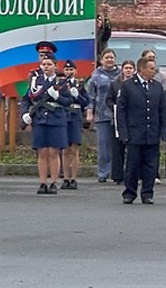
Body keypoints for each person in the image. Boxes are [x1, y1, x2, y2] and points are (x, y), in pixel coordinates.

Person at [19, 40, 80, 194]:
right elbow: (26, 99)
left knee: (53, 152)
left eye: (49, 64)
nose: (46, 66)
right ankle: (42, 183)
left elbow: (68, 101)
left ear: (55, 66)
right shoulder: (36, 81)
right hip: (39, 119)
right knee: (42, 152)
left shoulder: (62, 82)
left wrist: (57, 96)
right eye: (44, 64)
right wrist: (25, 113)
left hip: (56, 119)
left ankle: (53, 182)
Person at [111, 50, 166, 204]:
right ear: (142, 69)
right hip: (134, 133)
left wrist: (164, 130)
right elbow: (121, 111)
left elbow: (163, 110)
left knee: (151, 165)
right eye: (151, 69)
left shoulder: (157, 87)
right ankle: (129, 193)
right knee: (133, 165)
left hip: (152, 133)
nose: (154, 71)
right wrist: (123, 132)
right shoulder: (127, 86)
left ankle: (147, 193)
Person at [88, 47, 121, 184]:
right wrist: (90, 111)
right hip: (102, 114)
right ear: (101, 60)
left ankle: (117, 171)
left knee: (118, 145)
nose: (109, 60)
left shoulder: (121, 74)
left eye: (111, 57)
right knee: (104, 145)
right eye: (107, 57)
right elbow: (90, 96)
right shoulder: (95, 76)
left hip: (119, 115)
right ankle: (103, 172)